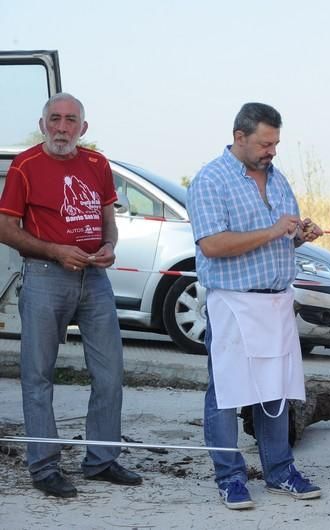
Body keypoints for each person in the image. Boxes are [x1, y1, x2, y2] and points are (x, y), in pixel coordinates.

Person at [0, 93, 142, 498]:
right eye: (55, 119)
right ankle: (44, 466)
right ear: (43, 124)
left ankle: (101, 460)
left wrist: (110, 246)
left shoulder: (97, 164)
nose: (62, 128)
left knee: (110, 371)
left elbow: (108, 220)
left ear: (84, 127)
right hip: (46, 275)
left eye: (71, 120)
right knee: (38, 375)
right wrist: (55, 250)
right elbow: (5, 228)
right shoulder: (24, 166)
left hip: (95, 278)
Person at [187, 102, 323, 510]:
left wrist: (299, 235)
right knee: (227, 392)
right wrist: (271, 231)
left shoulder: (278, 180)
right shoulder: (210, 180)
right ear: (239, 136)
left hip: (275, 303)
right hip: (233, 303)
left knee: (275, 390)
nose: (272, 152)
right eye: (265, 143)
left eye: (276, 143)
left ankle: (280, 471)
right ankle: (230, 477)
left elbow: (283, 234)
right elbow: (212, 244)